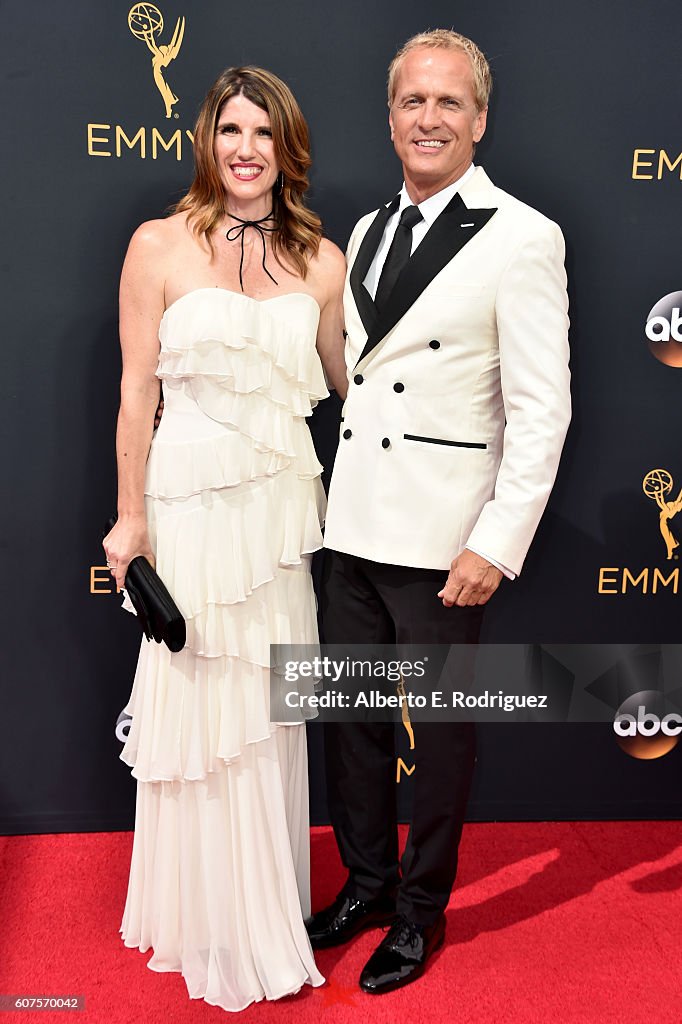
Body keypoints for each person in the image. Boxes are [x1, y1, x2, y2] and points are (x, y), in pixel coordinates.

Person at [307, 29, 571, 994]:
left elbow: (543, 412)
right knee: (354, 725)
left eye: (448, 103)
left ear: (480, 119)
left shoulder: (524, 235)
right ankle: (368, 886)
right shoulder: (368, 230)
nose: (429, 118)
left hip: (445, 541)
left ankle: (420, 914)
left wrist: (495, 543)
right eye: (412, 102)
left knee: (442, 741)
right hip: (354, 528)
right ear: (389, 117)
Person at [103, 65, 347, 1012]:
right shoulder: (158, 244)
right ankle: (205, 916)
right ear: (207, 140)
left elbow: (352, 386)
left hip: (279, 518)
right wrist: (132, 518)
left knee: (265, 711)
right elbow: (136, 393)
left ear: (289, 147)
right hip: (191, 507)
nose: (247, 149)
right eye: (231, 130)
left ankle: (264, 912)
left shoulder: (323, 263)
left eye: (265, 132)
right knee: (204, 706)